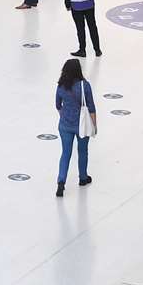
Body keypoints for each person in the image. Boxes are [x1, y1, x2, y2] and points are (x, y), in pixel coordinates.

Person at [53, 57, 96, 197]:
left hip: (65, 125)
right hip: (81, 125)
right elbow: (91, 107)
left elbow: (58, 105)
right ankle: (83, 177)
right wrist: (94, 125)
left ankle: (61, 181)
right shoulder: (85, 86)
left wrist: (63, 116)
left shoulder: (61, 86)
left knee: (65, 153)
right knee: (82, 151)